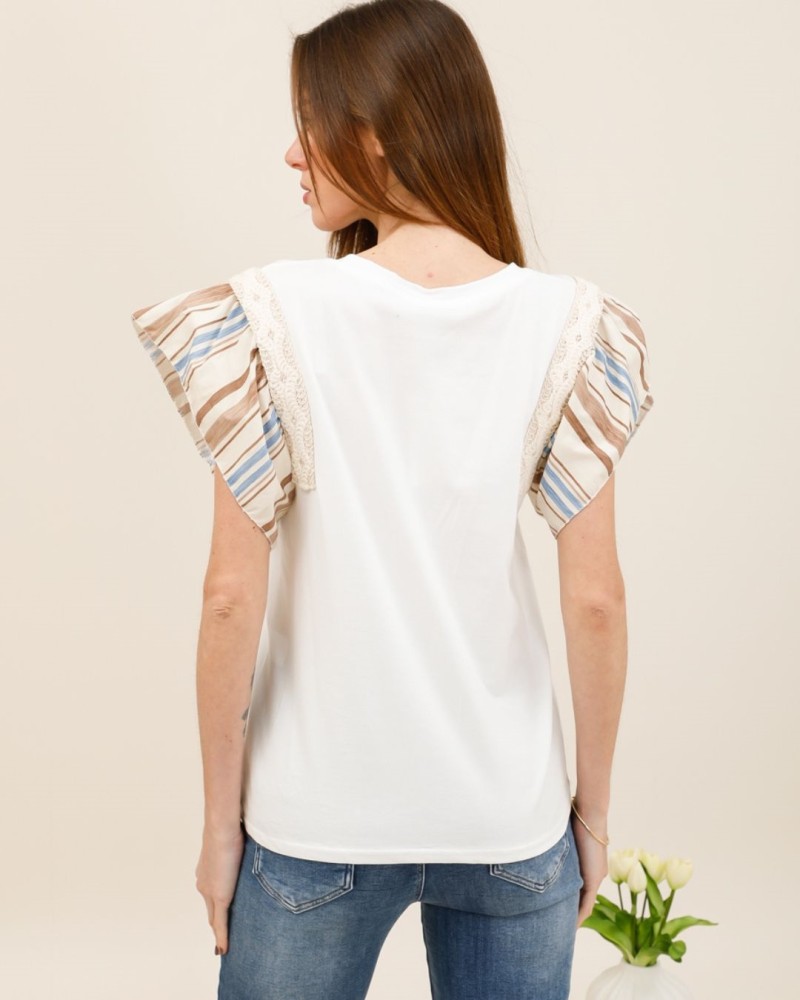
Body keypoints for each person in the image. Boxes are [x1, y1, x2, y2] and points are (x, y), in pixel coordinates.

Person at [130, 1, 654, 997]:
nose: (292, 153)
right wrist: (589, 813)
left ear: (375, 134)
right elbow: (596, 600)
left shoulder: (267, 319)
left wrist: (217, 827)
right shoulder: (570, 325)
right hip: (507, 819)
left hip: (315, 820)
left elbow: (229, 598)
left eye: (309, 124)